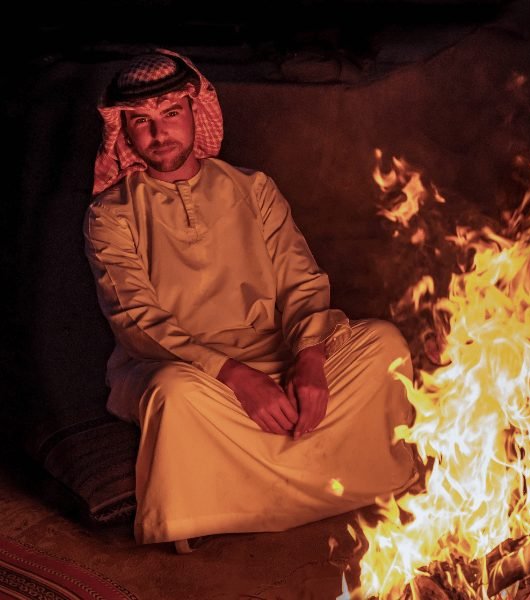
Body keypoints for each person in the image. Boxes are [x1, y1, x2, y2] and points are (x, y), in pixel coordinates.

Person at [84, 49, 417, 551]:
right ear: (124, 133)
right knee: (174, 397)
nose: (159, 133)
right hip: (188, 370)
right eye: (141, 122)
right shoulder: (110, 214)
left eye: (171, 113)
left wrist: (309, 359)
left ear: (197, 112)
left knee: (385, 346)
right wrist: (238, 378)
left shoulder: (252, 189)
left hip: (277, 351)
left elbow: (300, 281)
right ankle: (312, 481)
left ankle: (303, 479)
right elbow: (136, 320)